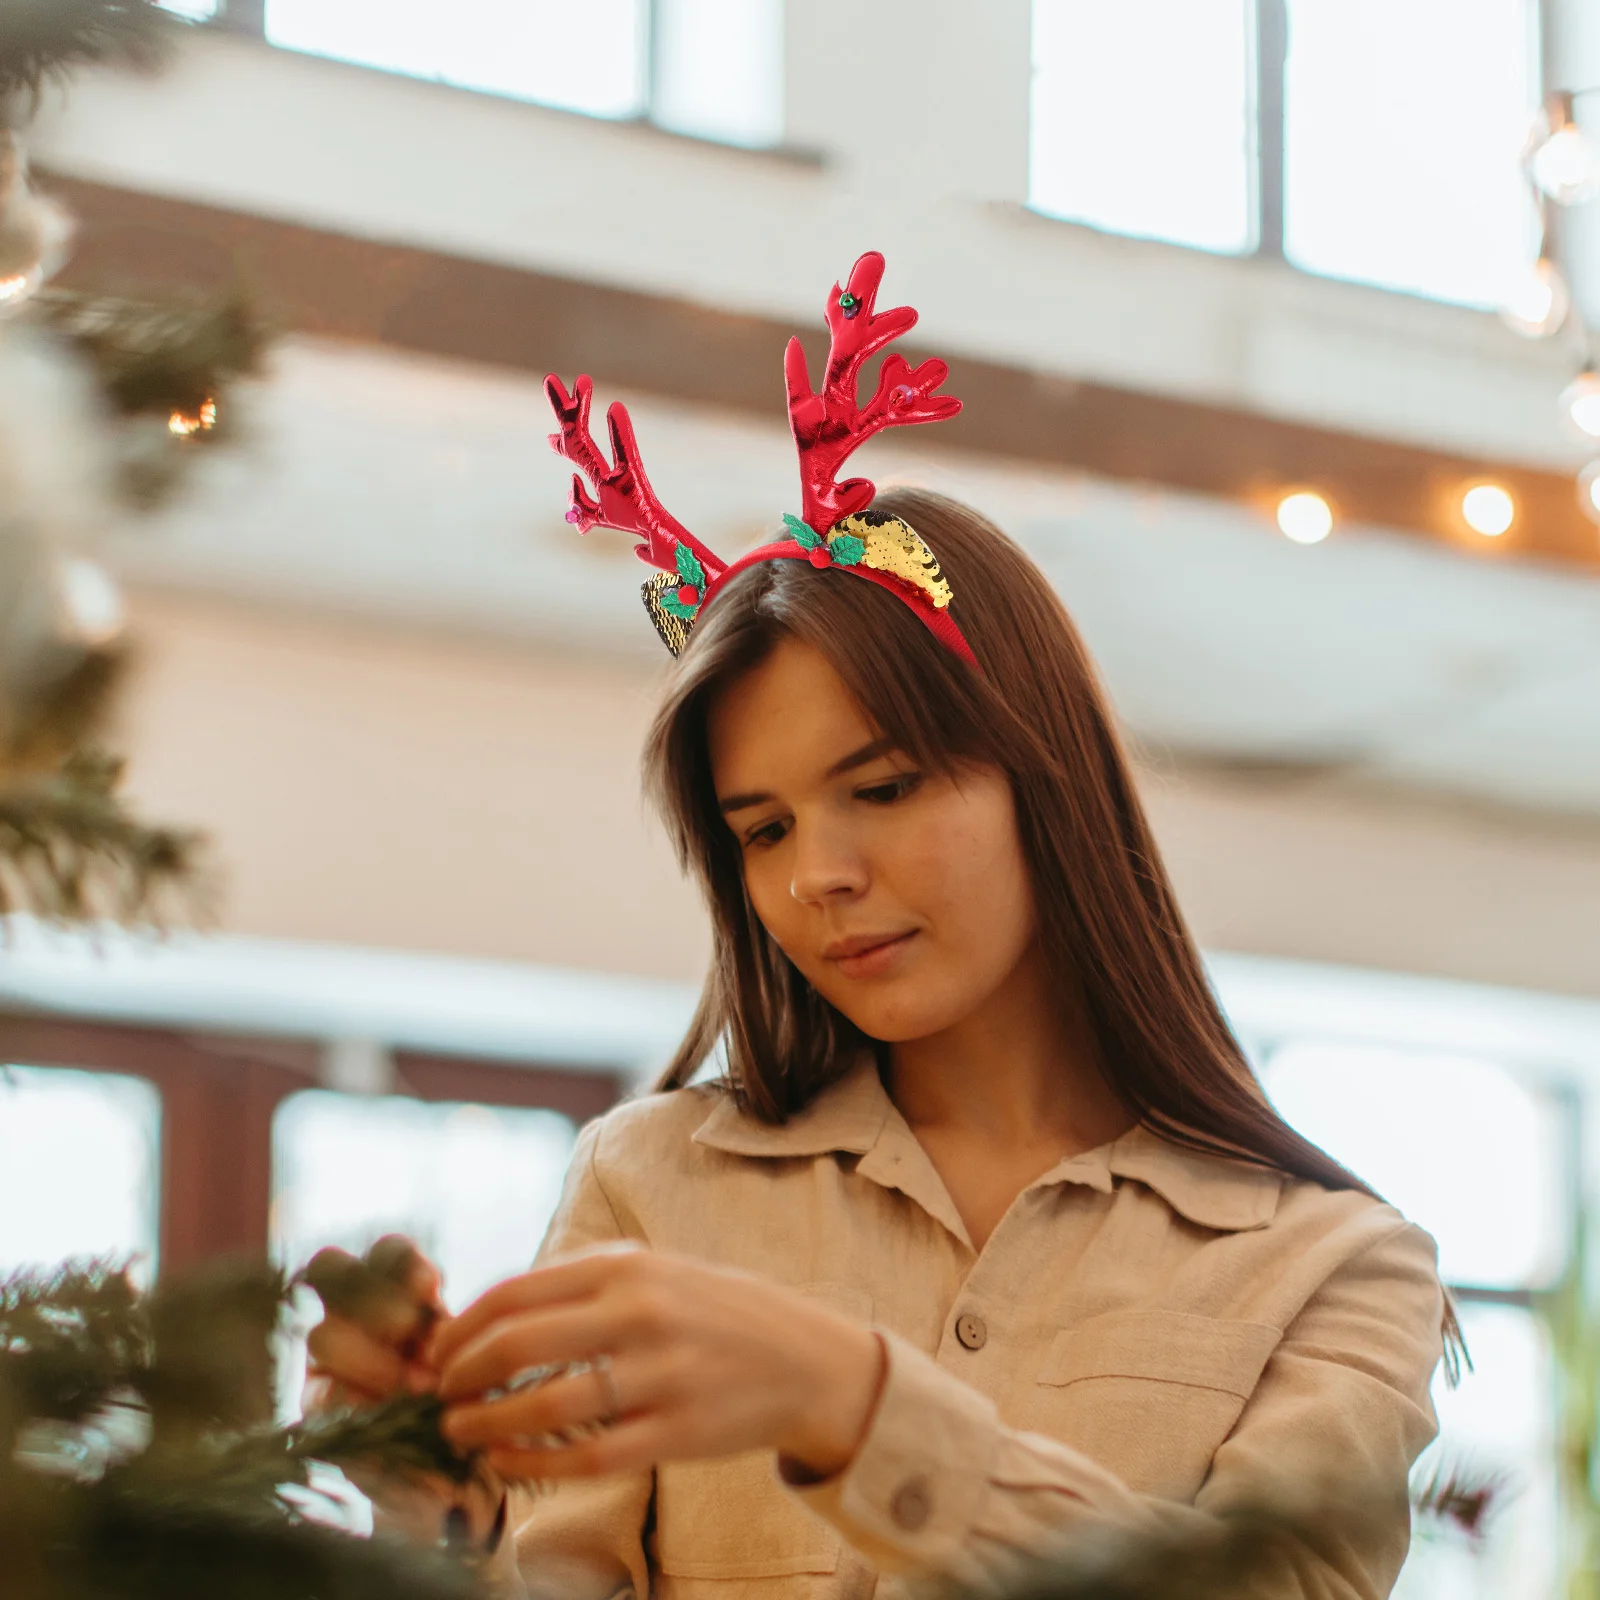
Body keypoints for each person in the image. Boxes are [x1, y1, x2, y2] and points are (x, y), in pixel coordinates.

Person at [304, 257, 1447, 1600]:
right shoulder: (647, 1185)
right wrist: (436, 1516)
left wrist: (854, 1408)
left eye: (885, 789)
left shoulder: (1331, 1266)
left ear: (1044, 775)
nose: (818, 878)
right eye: (762, 829)